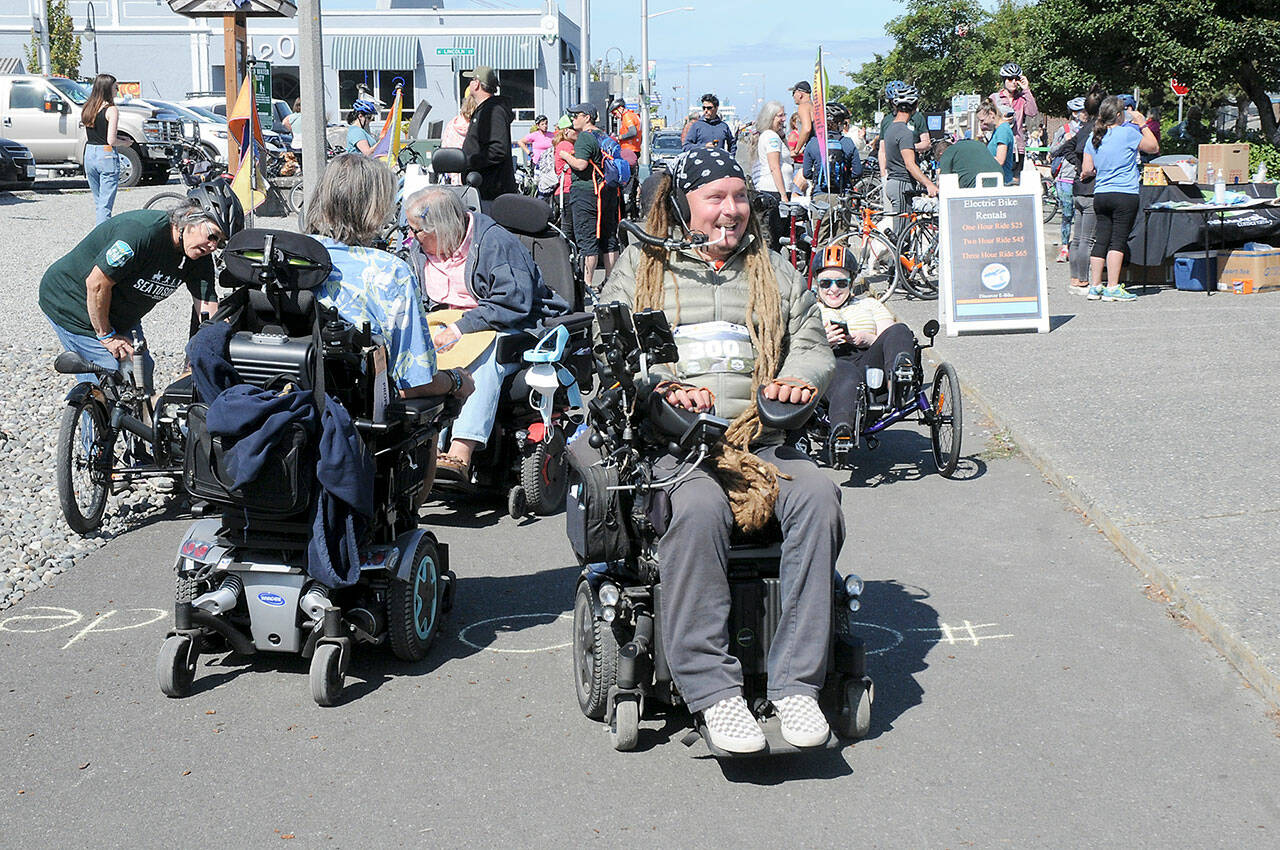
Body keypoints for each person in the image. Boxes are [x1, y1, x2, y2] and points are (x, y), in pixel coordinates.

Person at [599, 147, 840, 754]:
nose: (731, 210)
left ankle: (797, 686)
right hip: (673, 445)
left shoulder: (774, 270)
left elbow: (811, 342)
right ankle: (715, 694)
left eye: (739, 196)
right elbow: (613, 345)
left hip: (760, 438)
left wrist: (800, 378)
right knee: (699, 508)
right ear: (684, 205)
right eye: (715, 197)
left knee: (817, 496)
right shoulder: (641, 266)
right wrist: (663, 385)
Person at [404, 186, 569, 481]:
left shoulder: (494, 243)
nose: (412, 237)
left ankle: (460, 451)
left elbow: (513, 303)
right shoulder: (419, 249)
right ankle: (423, 448)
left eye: (417, 231)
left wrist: (460, 328)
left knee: (485, 353)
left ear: (443, 228)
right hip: (446, 324)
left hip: (509, 325)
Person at [40, 181, 241, 394]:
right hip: (73, 304)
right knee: (109, 378)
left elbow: (207, 306)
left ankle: (140, 425)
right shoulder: (142, 233)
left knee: (141, 371)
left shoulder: (198, 257)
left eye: (219, 243)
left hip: (118, 311)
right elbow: (96, 284)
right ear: (190, 217)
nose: (212, 246)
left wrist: (215, 348)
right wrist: (107, 336)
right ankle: (97, 420)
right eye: (212, 235)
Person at [307, 154, 472, 404]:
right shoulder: (388, 271)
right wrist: (457, 380)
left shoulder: (291, 256)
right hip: (356, 411)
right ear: (375, 208)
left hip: (290, 398)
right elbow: (415, 379)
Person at [812, 243, 915, 465]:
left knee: (900, 329)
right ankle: (841, 431)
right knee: (845, 372)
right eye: (825, 283)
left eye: (841, 283)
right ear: (817, 285)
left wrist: (869, 339)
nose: (833, 289)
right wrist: (822, 342)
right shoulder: (810, 309)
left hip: (871, 363)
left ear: (851, 282)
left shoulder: (869, 304)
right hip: (832, 364)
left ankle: (901, 373)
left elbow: (889, 330)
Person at [1081, 95, 1160, 302]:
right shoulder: (1127, 134)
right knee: (1117, 240)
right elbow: (1153, 147)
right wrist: (1143, 123)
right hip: (1125, 193)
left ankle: (1095, 286)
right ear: (1118, 115)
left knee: (1101, 239)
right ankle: (1113, 286)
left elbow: (1087, 169)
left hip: (1101, 193)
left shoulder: (1093, 137)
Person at [1053, 85, 1106, 294]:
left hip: (1076, 187)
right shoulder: (1098, 130)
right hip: (1091, 188)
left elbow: (1064, 148)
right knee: (1087, 238)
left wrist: (1077, 164)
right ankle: (1083, 280)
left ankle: (1075, 278)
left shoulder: (1083, 128)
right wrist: (1089, 167)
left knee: (1077, 237)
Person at [560, 103, 620, 283]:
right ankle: (611, 282)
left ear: (587, 117)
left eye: (576, 116)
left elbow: (580, 164)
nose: (573, 119)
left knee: (588, 241)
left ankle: (587, 284)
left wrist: (565, 155)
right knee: (609, 238)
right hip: (608, 192)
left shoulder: (585, 137)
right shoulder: (603, 135)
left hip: (587, 193)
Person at [881, 86, 938, 236]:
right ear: (915, 106)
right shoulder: (905, 132)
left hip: (893, 181)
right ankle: (895, 260)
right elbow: (910, 164)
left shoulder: (891, 128)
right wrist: (929, 184)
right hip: (901, 184)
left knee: (901, 233)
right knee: (902, 236)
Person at [460, 65, 518, 208]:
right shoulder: (486, 109)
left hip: (492, 193)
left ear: (477, 84)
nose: (470, 83)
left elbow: (498, 149)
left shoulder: (493, 110)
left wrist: (469, 161)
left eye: (472, 80)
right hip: (483, 190)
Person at [80, 73, 132, 224]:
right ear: (108, 89)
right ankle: (101, 236)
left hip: (89, 153)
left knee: (99, 202)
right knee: (105, 205)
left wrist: (121, 139)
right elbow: (111, 140)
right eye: (116, 87)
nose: (118, 90)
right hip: (106, 155)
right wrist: (124, 142)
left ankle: (100, 231)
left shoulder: (88, 108)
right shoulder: (112, 110)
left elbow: (96, 134)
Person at [746, 100, 793, 250]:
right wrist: (784, 196)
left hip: (771, 190)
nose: (784, 119)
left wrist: (782, 134)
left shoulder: (772, 136)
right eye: (780, 115)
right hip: (774, 191)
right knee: (776, 236)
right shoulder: (771, 138)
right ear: (770, 117)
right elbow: (774, 167)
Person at [1050, 96, 1087, 262]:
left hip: (1083, 176)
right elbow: (1052, 150)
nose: (1085, 114)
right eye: (1082, 111)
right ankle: (1064, 247)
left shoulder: (1091, 129)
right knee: (1067, 213)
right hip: (1065, 176)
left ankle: (1080, 246)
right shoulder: (1063, 129)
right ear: (1074, 113)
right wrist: (1064, 143)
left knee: (1082, 213)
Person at [803, 102, 862, 195]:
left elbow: (806, 173)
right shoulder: (848, 142)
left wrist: (819, 176)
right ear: (839, 123)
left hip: (820, 194)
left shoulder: (813, 143)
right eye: (844, 123)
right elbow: (858, 172)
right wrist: (844, 176)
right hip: (843, 194)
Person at [989, 63, 1039, 170]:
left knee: (1015, 183)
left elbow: (1033, 112)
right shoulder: (994, 98)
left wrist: (1026, 89)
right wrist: (1000, 121)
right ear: (1004, 80)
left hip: (1017, 148)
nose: (1013, 82)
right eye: (1010, 79)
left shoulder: (1022, 98)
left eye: (1016, 79)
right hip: (999, 145)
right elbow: (986, 121)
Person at [610, 100, 642, 216]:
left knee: (626, 182)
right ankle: (633, 212)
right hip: (634, 151)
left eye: (615, 113)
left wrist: (619, 137)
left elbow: (632, 132)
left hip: (629, 151)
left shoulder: (627, 116)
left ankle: (626, 211)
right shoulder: (634, 115)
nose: (616, 116)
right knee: (632, 182)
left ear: (620, 108)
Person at [934, 136, 1002, 189]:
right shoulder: (975, 145)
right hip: (999, 180)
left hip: (976, 190)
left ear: (941, 154)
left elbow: (945, 183)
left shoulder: (947, 152)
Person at [979, 99, 1017, 184]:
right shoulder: (998, 130)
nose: (982, 124)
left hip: (1002, 182)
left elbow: (1000, 160)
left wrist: (978, 160)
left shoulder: (1002, 130)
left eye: (982, 120)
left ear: (992, 115)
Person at [551, 117, 577, 231]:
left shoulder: (560, 144)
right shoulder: (567, 145)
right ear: (566, 130)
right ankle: (566, 248)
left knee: (567, 225)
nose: (577, 131)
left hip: (562, 190)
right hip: (567, 189)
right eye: (574, 129)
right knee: (569, 226)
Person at [789, 80, 815, 164]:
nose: (793, 96)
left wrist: (797, 150)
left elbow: (807, 128)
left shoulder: (803, 106)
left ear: (800, 94)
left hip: (812, 147)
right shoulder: (814, 106)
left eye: (793, 93)